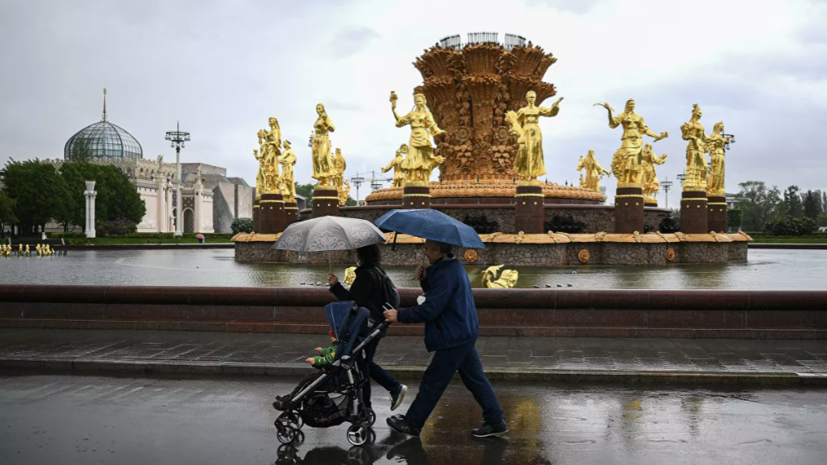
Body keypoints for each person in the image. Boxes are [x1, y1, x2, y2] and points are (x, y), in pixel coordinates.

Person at [383, 240, 507, 438]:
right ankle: (496, 421)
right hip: (463, 331)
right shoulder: (451, 267)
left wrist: (399, 315)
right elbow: (440, 295)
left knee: (433, 381)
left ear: (437, 249)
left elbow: (431, 308)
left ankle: (412, 424)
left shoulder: (446, 272)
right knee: (476, 379)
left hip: (453, 335)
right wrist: (425, 279)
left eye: (426, 249)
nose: (424, 253)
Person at [328, 244, 408, 412]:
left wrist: (335, 285)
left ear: (361, 254)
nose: (355, 254)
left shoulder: (365, 275)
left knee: (362, 365)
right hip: (378, 325)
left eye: (357, 251)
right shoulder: (378, 271)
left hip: (367, 327)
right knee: (363, 362)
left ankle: (370, 404)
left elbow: (354, 301)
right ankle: (378, 398)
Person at [273, 329, 338, 411]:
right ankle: (290, 397)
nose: (331, 338)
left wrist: (315, 360)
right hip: (331, 373)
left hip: (332, 376)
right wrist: (323, 351)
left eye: (332, 336)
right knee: (306, 380)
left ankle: (290, 402)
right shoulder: (338, 346)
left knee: (307, 383)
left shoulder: (338, 348)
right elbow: (331, 352)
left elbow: (329, 360)